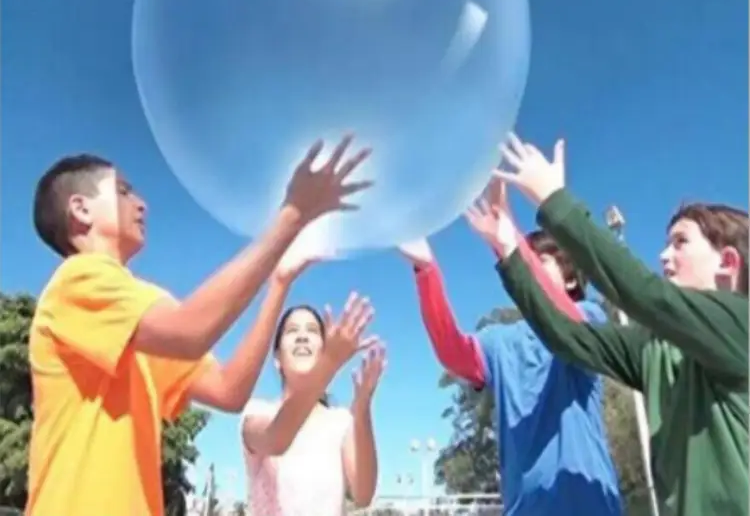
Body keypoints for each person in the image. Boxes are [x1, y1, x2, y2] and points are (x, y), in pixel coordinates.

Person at [26, 135, 372, 516]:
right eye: (123, 191)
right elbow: (191, 332)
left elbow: (229, 390)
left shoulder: (141, 319)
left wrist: (280, 281)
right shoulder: (77, 281)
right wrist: (292, 214)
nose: (141, 203)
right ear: (81, 209)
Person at [492, 132, 749, 516]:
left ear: (727, 263)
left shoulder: (740, 327)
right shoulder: (657, 350)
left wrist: (554, 202)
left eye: (680, 243)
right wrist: (509, 253)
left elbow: (642, 294)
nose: (663, 256)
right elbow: (571, 338)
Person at [398, 190, 624, 516]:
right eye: (525, 261)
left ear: (572, 279)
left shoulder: (590, 315)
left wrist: (508, 243)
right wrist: (425, 270)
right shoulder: (500, 341)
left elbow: (566, 322)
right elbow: (452, 352)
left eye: (538, 261)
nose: (527, 269)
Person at [240, 294, 385, 516]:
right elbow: (277, 439)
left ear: (322, 350)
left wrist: (362, 407)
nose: (302, 337)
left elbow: (363, 495)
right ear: (277, 358)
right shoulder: (256, 412)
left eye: (312, 331)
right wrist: (330, 364)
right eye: (292, 331)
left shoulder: (339, 421)